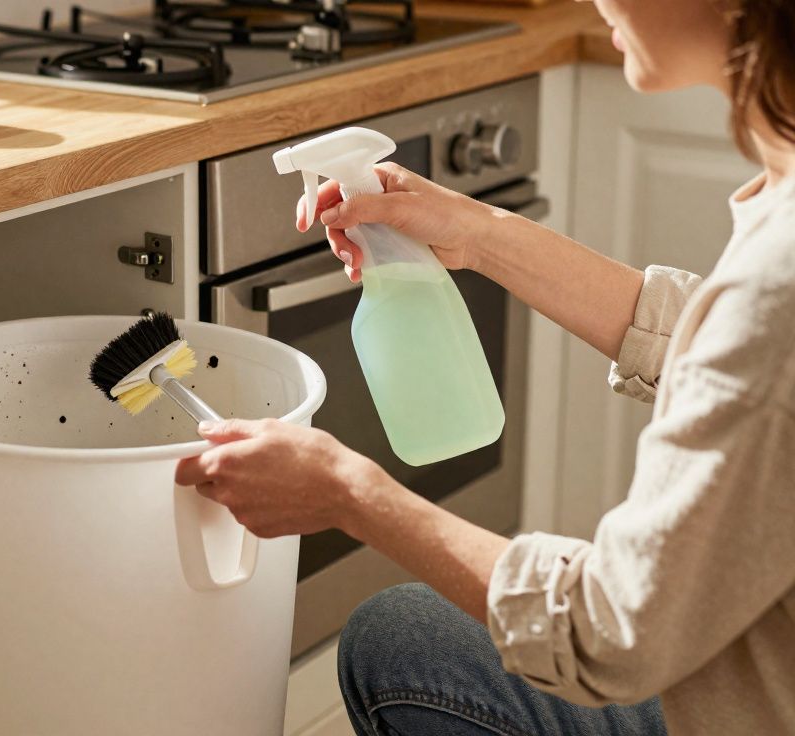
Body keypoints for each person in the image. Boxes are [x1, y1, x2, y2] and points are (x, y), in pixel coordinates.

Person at [174, 0, 795, 732]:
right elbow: (723, 348)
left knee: (401, 642)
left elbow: (604, 636)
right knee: (409, 632)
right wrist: (480, 232)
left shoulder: (773, 290)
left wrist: (349, 492)